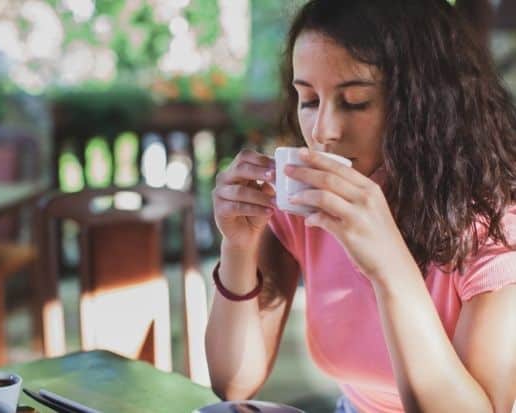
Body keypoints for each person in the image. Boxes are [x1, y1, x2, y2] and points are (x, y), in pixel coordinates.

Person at [205, 0, 516, 412]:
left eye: (354, 102)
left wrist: (389, 266)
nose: (322, 132)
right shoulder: (302, 204)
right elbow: (234, 382)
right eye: (309, 100)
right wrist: (238, 247)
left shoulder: (496, 227)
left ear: (424, 105)